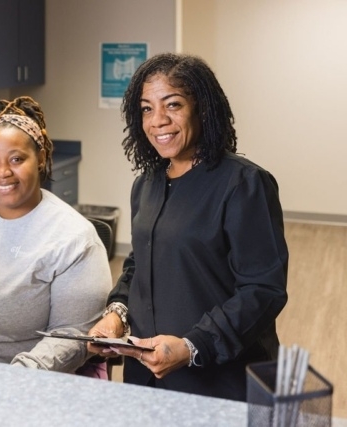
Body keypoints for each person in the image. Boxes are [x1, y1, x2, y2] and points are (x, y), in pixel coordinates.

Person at [88, 53, 288, 401]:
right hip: (145, 378)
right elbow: (139, 262)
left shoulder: (244, 183)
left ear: (202, 109)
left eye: (173, 104)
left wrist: (192, 346)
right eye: (147, 108)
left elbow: (263, 289)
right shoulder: (146, 184)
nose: (158, 120)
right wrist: (116, 314)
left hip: (220, 383)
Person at [0, 96, 112, 373]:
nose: (3, 172)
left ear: (41, 158)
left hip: (28, 380)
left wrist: (19, 375)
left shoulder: (75, 239)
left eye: (17, 159)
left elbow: (73, 333)